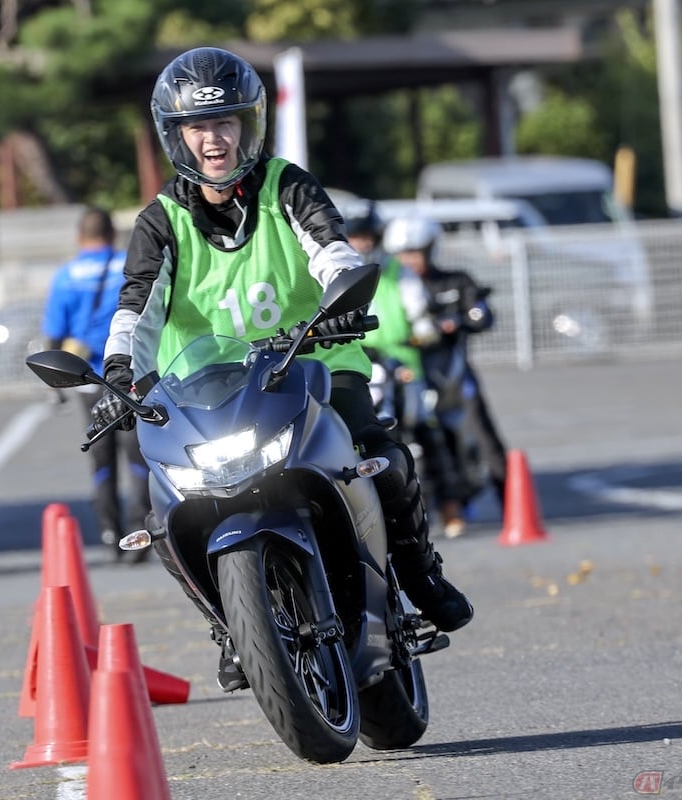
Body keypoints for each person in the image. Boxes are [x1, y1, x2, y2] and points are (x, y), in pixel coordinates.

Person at [92, 47, 473, 691]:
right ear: (175, 134)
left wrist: (343, 296)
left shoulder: (286, 185)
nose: (213, 139)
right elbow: (137, 306)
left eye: (225, 122)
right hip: (207, 388)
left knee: (383, 456)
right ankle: (231, 625)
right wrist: (119, 370)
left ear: (250, 125)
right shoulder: (160, 221)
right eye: (197, 127)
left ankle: (420, 574)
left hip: (313, 361)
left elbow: (330, 248)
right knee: (164, 513)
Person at [344, 202, 469, 538]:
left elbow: (420, 315)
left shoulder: (399, 273)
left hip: (403, 365)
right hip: (358, 365)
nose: (362, 243)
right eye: (355, 236)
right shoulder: (336, 273)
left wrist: (423, 333)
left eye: (367, 236)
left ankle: (450, 507)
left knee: (426, 429)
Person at [383, 215, 510, 534]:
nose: (410, 260)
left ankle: (511, 505)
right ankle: (433, 512)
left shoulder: (456, 281)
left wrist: (455, 322)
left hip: (453, 376)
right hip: (410, 378)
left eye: (417, 252)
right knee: (414, 445)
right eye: (404, 254)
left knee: (484, 436)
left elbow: (481, 316)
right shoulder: (394, 285)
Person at [41, 206, 151, 562]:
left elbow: (54, 333)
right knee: (137, 457)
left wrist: (53, 384)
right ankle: (140, 533)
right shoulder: (128, 265)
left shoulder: (66, 276)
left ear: (79, 237)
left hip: (87, 377)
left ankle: (109, 532)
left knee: (102, 459)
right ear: (112, 234)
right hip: (130, 376)